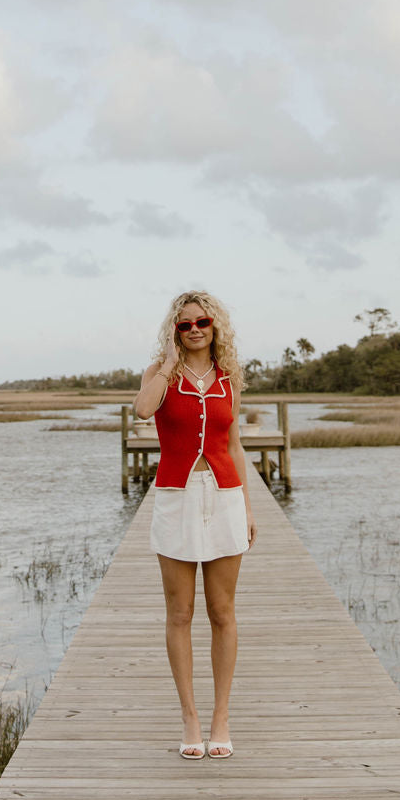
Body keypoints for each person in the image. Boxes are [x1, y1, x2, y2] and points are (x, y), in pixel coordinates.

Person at [134, 289, 257, 759]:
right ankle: (189, 717)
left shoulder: (229, 378)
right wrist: (166, 365)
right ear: (174, 330)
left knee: (222, 612)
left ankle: (220, 716)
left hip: (224, 496)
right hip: (175, 497)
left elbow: (235, 445)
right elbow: (143, 411)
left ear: (214, 326)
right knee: (180, 613)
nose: (194, 331)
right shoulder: (158, 375)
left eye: (201, 322)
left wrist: (246, 506)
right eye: (184, 325)